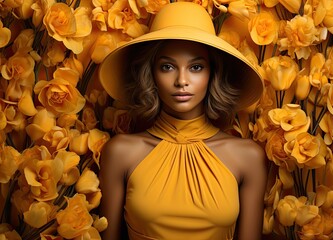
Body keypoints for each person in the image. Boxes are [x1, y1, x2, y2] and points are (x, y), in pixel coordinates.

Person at [98, 2, 267, 240]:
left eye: (196, 67)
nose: (181, 81)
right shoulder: (121, 152)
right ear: (151, 74)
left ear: (212, 74)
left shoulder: (247, 157)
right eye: (167, 67)